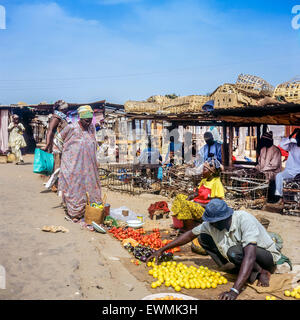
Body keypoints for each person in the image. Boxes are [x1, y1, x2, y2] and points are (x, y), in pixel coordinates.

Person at [148, 199, 281, 300]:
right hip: (242, 253)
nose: (211, 225)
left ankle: (262, 272)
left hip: (265, 256)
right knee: (203, 238)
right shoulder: (212, 225)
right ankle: (238, 268)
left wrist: (234, 290)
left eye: (214, 222)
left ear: (223, 218)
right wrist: (162, 249)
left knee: (234, 252)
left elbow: (250, 255)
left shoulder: (244, 219)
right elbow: (189, 235)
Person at [58, 105, 102, 221]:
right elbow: (57, 142)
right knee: (74, 188)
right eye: (85, 120)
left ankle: (91, 211)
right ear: (80, 118)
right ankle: (75, 212)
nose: (88, 123)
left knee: (91, 186)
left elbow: (93, 143)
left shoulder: (91, 128)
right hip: (73, 165)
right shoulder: (71, 128)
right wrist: (59, 159)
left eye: (89, 120)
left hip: (89, 165)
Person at [172, 159, 225, 231]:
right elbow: (197, 193)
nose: (202, 171)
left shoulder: (216, 183)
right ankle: (182, 221)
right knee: (179, 197)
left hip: (206, 210)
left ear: (211, 172)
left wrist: (198, 204)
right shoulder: (204, 180)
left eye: (204, 170)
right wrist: (190, 197)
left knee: (187, 204)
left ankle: (189, 228)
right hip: (197, 204)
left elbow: (216, 204)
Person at [271, 128, 300, 207]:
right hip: (289, 171)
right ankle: (280, 198)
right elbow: (282, 144)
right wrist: (291, 138)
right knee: (279, 176)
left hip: (299, 172)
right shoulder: (292, 145)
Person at [43, 100, 71, 172]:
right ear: (61, 109)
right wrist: (47, 144)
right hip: (56, 146)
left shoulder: (62, 118)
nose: (67, 110)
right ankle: (55, 182)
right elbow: (50, 130)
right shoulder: (56, 118)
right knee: (57, 167)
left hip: (62, 145)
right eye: (65, 108)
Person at [255, 132, 282, 202]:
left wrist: (262, 170)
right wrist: (256, 168)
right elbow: (260, 163)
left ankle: (273, 200)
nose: (264, 142)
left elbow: (274, 165)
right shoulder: (262, 149)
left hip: (273, 174)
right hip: (264, 173)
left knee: (272, 191)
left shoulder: (276, 150)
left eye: (265, 141)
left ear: (269, 141)